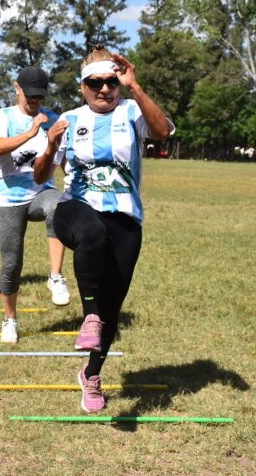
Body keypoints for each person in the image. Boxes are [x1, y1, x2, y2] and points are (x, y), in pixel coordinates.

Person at [34, 45, 174, 412]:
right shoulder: (68, 118)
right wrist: (49, 147)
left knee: (114, 306)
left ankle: (92, 375)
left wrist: (136, 87)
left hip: (125, 219)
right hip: (75, 210)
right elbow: (40, 175)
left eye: (111, 82)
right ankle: (89, 315)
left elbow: (162, 133)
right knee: (92, 233)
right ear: (82, 86)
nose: (104, 89)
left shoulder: (131, 110)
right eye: (95, 82)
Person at [0, 66, 71, 344]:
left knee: (58, 206)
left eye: (40, 96)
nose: (34, 100)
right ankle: (9, 320)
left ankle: (55, 276)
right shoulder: (4, 116)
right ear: (17, 88)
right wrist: (32, 131)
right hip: (7, 198)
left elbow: (57, 162)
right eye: (29, 94)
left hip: (39, 192)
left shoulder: (54, 119)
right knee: (12, 264)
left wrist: (51, 143)